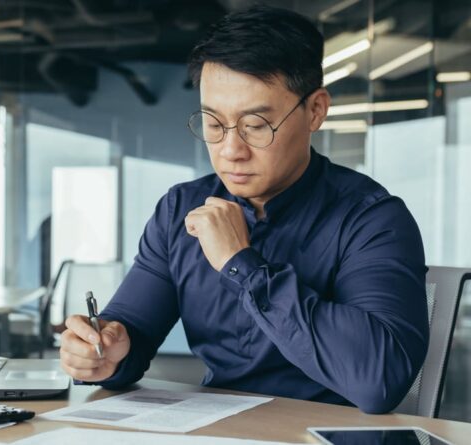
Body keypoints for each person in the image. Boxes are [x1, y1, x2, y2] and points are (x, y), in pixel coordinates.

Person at [59, 5, 429, 414]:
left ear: (316, 110)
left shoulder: (372, 219)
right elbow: (132, 328)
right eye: (214, 125)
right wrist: (104, 353)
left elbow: (381, 381)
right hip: (217, 432)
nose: (231, 151)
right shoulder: (180, 210)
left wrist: (241, 263)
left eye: (255, 125)